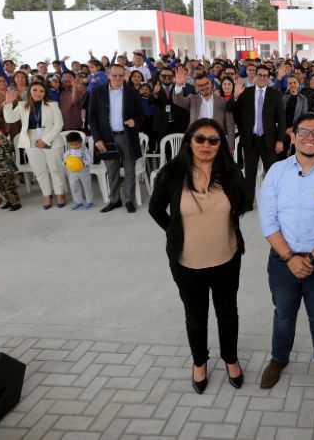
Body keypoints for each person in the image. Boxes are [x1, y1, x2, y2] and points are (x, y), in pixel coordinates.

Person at [148, 119, 247, 393]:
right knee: (195, 315)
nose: (206, 145)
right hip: (187, 262)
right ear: (189, 141)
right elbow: (155, 210)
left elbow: (242, 205)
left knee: (228, 313)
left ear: (221, 145)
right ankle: (200, 363)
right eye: (200, 139)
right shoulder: (171, 174)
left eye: (213, 140)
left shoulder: (230, 172)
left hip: (227, 258)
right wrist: (175, 232)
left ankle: (231, 359)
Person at [258, 113, 314, 391]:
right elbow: (268, 222)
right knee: (283, 312)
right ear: (293, 136)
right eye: (304, 131)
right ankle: (279, 358)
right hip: (283, 260)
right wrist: (291, 258)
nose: (310, 137)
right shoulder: (276, 171)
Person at [89, 64, 145, 213]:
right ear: (108, 75)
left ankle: (129, 200)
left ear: (124, 76)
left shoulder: (132, 92)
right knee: (111, 171)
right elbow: (92, 117)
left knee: (129, 170)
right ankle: (115, 201)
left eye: (121, 75)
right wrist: (97, 139)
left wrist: (135, 121)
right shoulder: (97, 92)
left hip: (126, 137)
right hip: (107, 138)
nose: (118, 78)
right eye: (115, 75)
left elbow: (141, 114)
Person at [230, 65, 286, 210]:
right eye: (259, 75)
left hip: (269, 141)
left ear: (268, 78)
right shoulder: (246, 93)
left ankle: (276, 204)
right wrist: (235, 96)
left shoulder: (275, 94)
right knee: (250, 173)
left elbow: (281, 119)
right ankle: (248, 203)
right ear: (255, 76)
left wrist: (280, 140)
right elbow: (233, 112)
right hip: (250, 140)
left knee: (272, 174)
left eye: (265, 76)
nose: (262, 78)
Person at [4, 81, 67, 210]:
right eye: (35, 90)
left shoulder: (52, 105)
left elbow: (58, 125)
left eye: (41, 91)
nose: (38, 93)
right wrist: (8, 103)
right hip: (30, 140)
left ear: (45, 93)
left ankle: (60, 193)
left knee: (56, 169)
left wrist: (45, 140)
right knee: (40, 171)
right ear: (29, 91)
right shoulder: (22, 106)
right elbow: (10, 119)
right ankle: (47, 195)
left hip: (52, 139)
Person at [173, 72, 235, 152]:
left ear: (211, 84)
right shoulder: (192, 99)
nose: (204, 87)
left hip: (216, 141)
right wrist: (178, 85)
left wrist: (231, 146)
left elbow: (230, 125)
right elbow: (178, 100)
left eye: (206, 84)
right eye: (200, 85)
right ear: (196, 87)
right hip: (196, 140)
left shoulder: (223, 102)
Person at [63, 131, 95, 210]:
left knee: (87, 186)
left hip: (84, 171)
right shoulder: (68, 153)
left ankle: (89, 202)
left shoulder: (85, 150)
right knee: (74, 187)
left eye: (77, 144)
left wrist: (83, 162)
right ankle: (78, 202)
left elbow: (91, 160)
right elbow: (64, 162)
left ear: (81, 141)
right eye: (72, 145)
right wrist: (65, 163)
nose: (74, 146)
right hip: (72, 173)